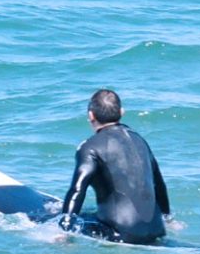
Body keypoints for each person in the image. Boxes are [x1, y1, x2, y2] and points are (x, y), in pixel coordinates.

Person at [60, 89, 171, 244]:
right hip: (157, 230)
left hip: (121, 235)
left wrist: (64, 229)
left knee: (48, 219)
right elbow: (158, 183)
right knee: (90, 212)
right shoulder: (139, 140)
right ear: (121, 112)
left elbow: (77, 190)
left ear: (91, 115)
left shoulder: (90, 147)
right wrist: (167, 217)